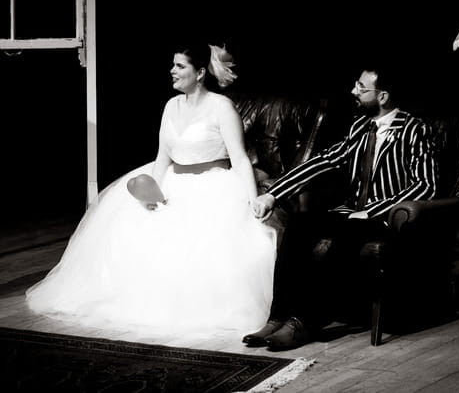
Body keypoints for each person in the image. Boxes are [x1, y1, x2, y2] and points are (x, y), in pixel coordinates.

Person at [26, 43, 277, 344]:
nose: (172, 70)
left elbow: (238, 157)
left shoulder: (221, 107)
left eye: (179, 66)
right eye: (172, 65)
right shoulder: (171, 106)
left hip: (213, 184)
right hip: (174, 181)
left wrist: (252, 199)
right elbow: (162, 157)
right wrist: (151, 193)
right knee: (130, 229)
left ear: (199, 73)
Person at [243, 64, 438, 351]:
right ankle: (279, 316)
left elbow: (425, 185)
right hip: (351, 213)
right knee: (298, 225)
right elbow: (324, 160)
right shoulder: (360, 127)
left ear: (382, 96)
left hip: (383, 218)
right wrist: (274, 194)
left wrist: (373, 211)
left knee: (344, 236)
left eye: (361, 87)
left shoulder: (414, 129)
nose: (353, 91)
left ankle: (304, 323)